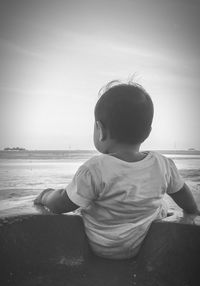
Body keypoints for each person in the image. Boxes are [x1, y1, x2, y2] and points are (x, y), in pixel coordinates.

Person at [34, 81, 200, 259]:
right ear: (148, 132)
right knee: (163, 204)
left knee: (83, 204)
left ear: (100, 130)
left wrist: (45, 196)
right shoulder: (163, 164)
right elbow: (182, 193)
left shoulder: (94, 169)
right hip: (143, 242)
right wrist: (192, 212)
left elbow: (61, 204)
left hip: (102, 247)